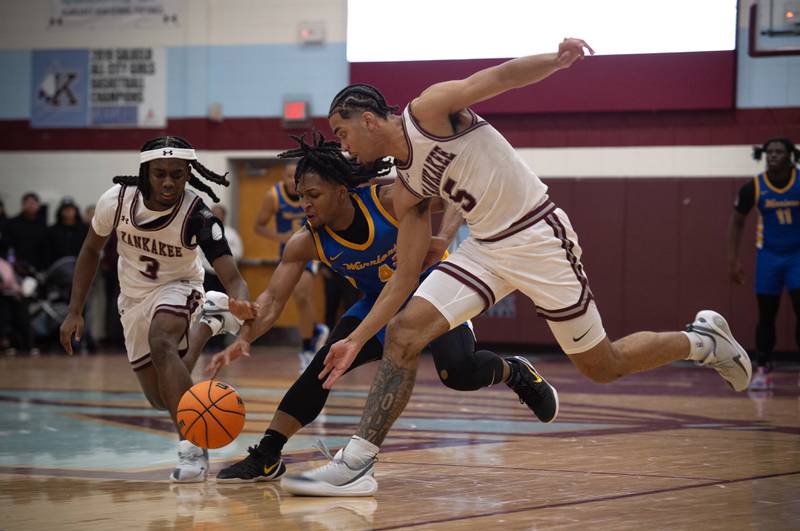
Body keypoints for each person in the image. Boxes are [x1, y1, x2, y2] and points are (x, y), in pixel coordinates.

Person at [281, 38, 753, 497]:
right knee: (404, 333)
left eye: (342, 133)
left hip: (537, 238)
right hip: (485, 249)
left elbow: (499, 77)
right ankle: (357, 463)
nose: (343, 147)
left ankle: (701, 342)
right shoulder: (406, 185)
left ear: (367, 119)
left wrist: (557, 59)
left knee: (603, 366)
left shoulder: (428, 111)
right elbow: (405, 277)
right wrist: (358, 338)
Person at [202, 133, 557, 487]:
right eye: (301, 197)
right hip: (377, 303)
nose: (305, 205)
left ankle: (514, 372)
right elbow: (273, 302)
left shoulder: (388, 198)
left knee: (459, 372)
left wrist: (445, 237)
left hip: (433, 289)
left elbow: (455, 193)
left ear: (341, 190)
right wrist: (244, 334)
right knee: (322, 367)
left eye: (313, 195)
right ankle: (267, 455)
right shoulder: (305, 241)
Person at [59, 136, 257, 483]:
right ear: (145, 172)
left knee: (162, 341)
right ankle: (209, 321)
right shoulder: (115, 201)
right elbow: (90, 251)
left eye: (178, 175)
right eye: (160, 174)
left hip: (180, 287)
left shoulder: (198, 215)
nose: (169, 183)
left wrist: (240, 300)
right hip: (133, 298)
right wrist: (75, 310)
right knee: (158, 398)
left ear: (188, 174)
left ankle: (193, 449)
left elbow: (233, 276)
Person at [729, 138, 800, 390]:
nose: (773, 156)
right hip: (769, 256)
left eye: (779, 152)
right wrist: (734, 258)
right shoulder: (755, 187)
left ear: (790, 155)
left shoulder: (799, 181)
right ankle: (763, 369)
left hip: (797, 256)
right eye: (769, 152)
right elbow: (737, 221)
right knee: (766, 315)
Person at [254, 161, 329, 370]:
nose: (291, 180)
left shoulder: (314, 194)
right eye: (288, 176)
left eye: (295, 176)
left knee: (302, 294)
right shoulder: (274, 196)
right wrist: (279, 236)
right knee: (288, 298)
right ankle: (315, 330)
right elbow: (258, 226)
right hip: (289, 253)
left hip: (312, 250)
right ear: (283, 176)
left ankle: (306, 348)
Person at [5, 192, 48, 273]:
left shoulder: (42, 224)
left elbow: (46, 248)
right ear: (23, 205)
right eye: (28, 203)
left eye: (33, 203)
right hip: (17, 267)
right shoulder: (12, 223)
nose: (31, 206)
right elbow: (8, 247)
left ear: (38, 205)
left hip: (38, 268)